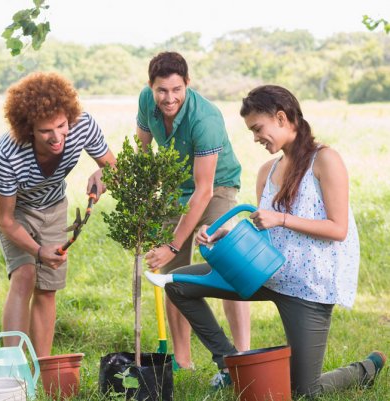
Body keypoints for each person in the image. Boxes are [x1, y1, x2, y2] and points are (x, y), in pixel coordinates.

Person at [160, 85, 385, 396]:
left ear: (281, 118)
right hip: (264, 274)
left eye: (257, 128)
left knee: (304, 391)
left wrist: (280, 218)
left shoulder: (325, 160)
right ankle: (229, 362)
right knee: (177, 283)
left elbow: (338, 229)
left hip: (308, 287)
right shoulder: (268, 170)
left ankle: (366, 368)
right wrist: (226, 235)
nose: (255, 138)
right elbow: (266, 232)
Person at [0, 72, 116, 357]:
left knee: (48, 286)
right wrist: (38, 250)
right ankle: (15, 367)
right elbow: (6, 220)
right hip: (13, 206)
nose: (57, 137)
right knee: (25, 274)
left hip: (53, 202)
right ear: (29, 128)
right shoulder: (9, 154)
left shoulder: (82, 126)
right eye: (46, 131)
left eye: (61, 125)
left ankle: (40, 367)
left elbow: (112, 166)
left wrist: (103, 174)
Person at [138, 51, 250, 369]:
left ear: (188, 83)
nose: (169, 98)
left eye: (176, 89)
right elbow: (143, 156)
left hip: (217, 187)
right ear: (151, 86)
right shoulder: (146, 101)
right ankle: (183, 361)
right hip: (175, 188)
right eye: (161, 90)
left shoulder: (206, 119)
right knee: (172, 274)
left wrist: (172, 242)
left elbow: (204, 191)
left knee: (228, 259)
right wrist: (144, 209)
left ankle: (242, 355)